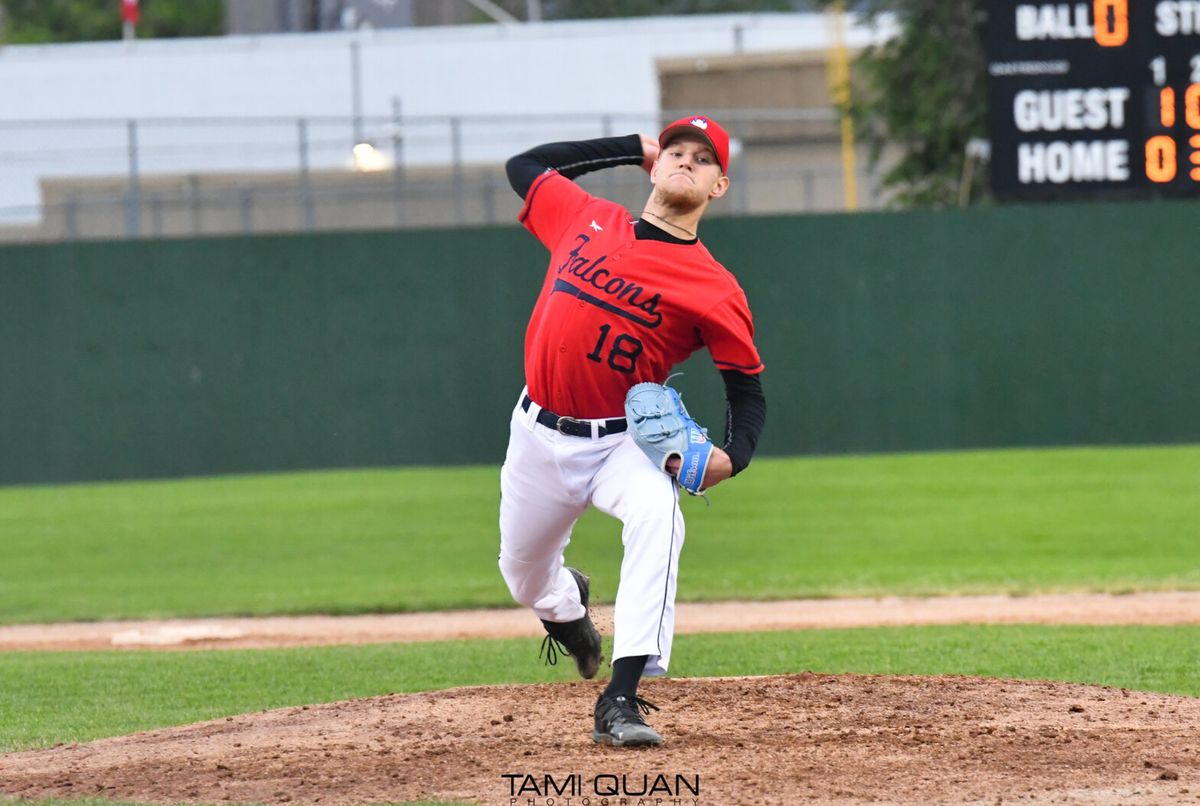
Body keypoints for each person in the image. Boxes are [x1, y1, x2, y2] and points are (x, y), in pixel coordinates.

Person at [498, 116, 767, 747]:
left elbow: (746, 388)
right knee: (522, 574)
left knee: (660, 517)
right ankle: (568, 609)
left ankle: (620, 699)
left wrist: (734, 456)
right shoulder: (587, 218)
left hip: (622, 441)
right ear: (656, 164)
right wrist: (630, 148)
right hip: (536, 433)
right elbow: (524, 168)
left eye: (702, 158)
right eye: (675, 150)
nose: (685, 161)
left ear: (719, 186)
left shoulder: (713, 286)